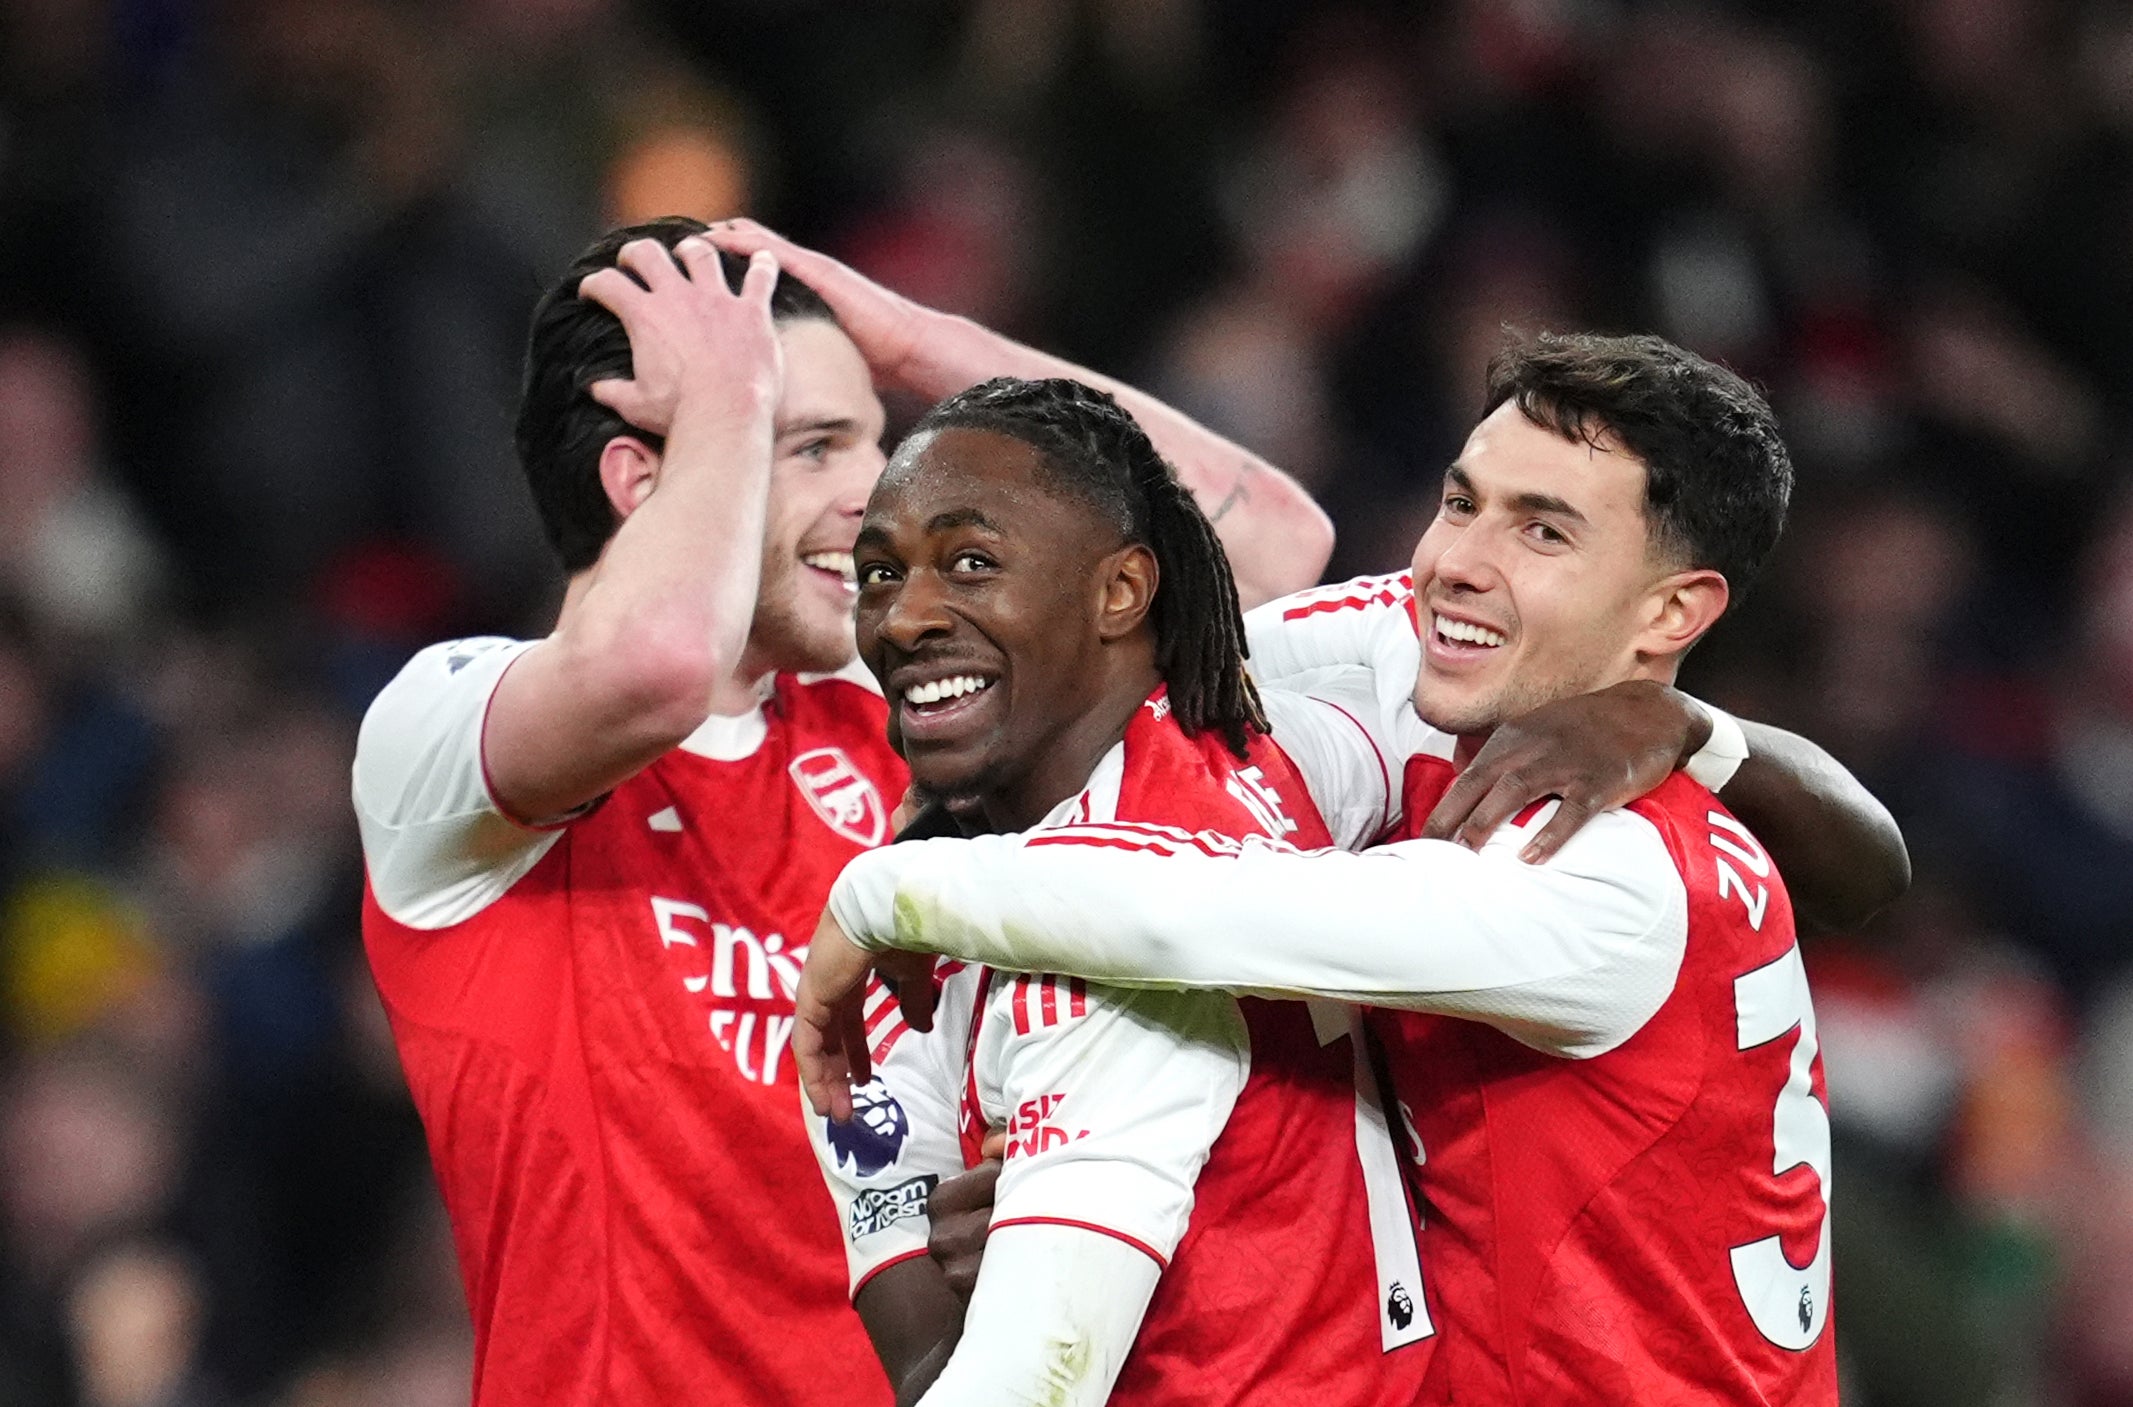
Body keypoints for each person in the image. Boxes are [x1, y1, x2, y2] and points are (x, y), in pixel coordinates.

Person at [350, 216, 1337, 1407]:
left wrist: (919, 342)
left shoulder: (893, 710)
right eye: (812, 446)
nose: (875, 495)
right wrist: (726, 396)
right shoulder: (441, 741)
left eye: (876, 440)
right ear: (641, 477)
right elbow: (659, 660)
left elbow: (1272, 547)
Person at [801, 332, 1880, 1405]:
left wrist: (884, 897)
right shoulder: (1419, 661)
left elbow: (1194, 915)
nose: (1458, 560)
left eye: (1543, 531)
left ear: (1670, 614)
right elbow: (1148, 637)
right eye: (1463, 503)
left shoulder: (1603, 875)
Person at [805, 376, 1437, 1406]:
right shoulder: (1294, 738)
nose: (906, 617)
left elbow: (1006, 1384)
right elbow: (1396, 612)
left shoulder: (1084, 967)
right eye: (880, 573)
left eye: (972, 563)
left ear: (1121, 591)